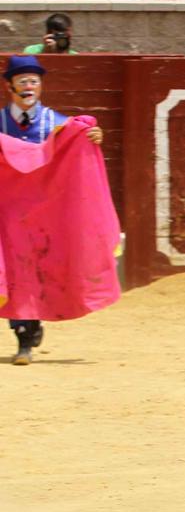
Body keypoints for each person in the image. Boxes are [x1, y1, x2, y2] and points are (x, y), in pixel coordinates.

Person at [1, 54, 111, 366]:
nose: (28, 86)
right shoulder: (0, 122)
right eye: (22, 81)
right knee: (16, 271)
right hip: (9, 210)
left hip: (46, 212)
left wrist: (93, 138)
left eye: (34, 81)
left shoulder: (57, 124)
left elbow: (78, 144)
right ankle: (24, 334)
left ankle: (32, 325)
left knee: (43, 268)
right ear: (9, 86)